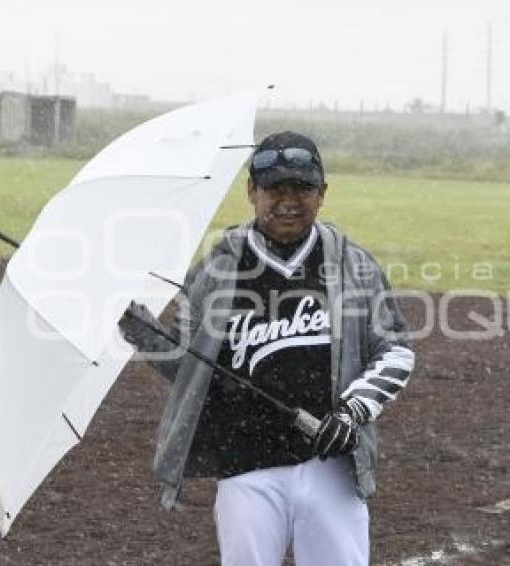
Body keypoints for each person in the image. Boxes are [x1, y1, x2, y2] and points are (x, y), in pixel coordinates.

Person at [119, 131, 415, 565]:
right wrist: (140, 330)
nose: (288, 200)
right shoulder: (218, 269)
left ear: (323, 193)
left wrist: (352, 411)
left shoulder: (353, 264)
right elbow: (187, 365)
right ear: (251, 192)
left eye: (302, 188)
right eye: (275, 188)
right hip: (245, 468)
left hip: (330, 465)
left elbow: (396, 350)